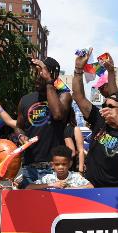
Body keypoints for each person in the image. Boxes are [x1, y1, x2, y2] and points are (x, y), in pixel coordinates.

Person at [72, 49, 118, 187]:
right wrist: (78, 69)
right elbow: (78, 96)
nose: (105, 108)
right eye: (105, 105)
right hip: (91, 186)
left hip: (116, 190)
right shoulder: (99, 120)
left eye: (110, 107)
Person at [15, 57, 73, 189]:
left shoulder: (63, 96)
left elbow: (58, 115)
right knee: (31, 208)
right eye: (34, 73)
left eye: (40, 73)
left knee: (53, 208)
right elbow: (19, 127)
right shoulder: (25, 99)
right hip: (30, 167)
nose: (36, 77)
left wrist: (48, 82)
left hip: (54, 168)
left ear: (51, 74)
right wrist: (20, 136)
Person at [24, 146, 93, 189]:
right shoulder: (48, 178)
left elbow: (90, 186)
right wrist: (52, 185)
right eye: (57, 164)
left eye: (64, 164)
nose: (60, 167)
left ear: (70, 164)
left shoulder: (76, 176)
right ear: (52, 165)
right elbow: (29, 187)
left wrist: (71, 188)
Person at [64, 109, 85, 173]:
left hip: (71, 168)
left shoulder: (74, 129)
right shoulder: (58, 129)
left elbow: (80, 150)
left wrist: (80, 170)